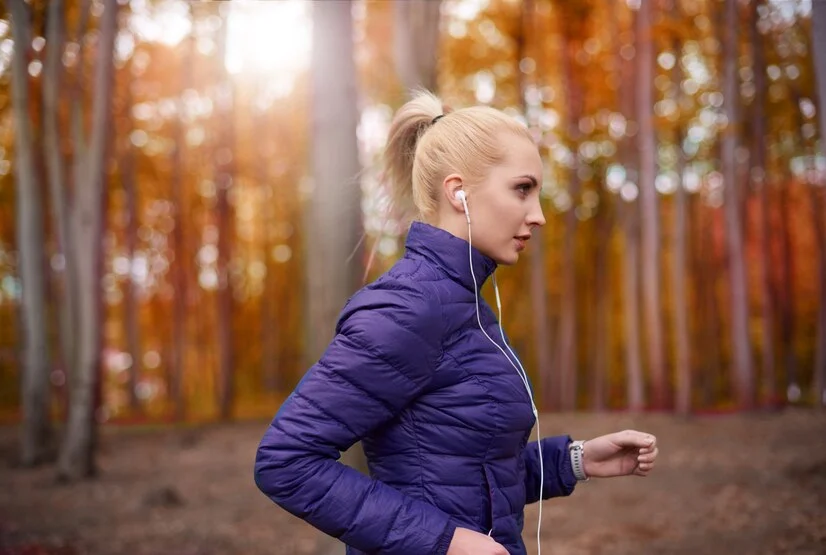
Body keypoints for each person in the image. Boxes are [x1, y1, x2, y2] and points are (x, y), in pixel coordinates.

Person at [254, 90, 659, 555]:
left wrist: (576, 460)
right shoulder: (407, 307)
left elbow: (468, 473)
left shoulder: (466, 307)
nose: (539, 216)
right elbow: (286, 461)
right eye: (522, 189)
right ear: (457, 192)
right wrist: (445, 541)